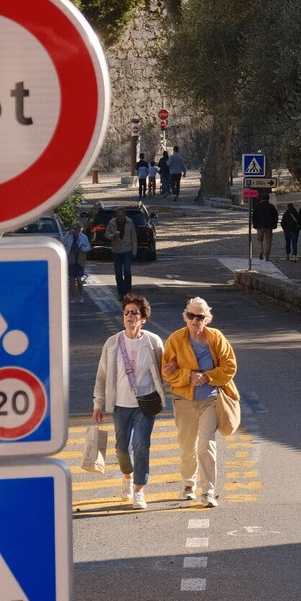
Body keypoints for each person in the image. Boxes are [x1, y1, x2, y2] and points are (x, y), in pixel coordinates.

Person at [92, 294, 167, 510]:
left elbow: (164, 372)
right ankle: (127, 476)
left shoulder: (153, 342)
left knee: (141, 445)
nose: (130, 316)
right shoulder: (113, 343)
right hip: (120, 405)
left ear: (143, 318)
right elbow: (102, 376)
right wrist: (98, 403)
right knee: (122, 449)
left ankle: (139, 490)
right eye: (127, 313)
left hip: (146, 404)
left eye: (135, 312)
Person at [163, 297, 238, 508]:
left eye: (200, 316)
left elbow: (229, 367)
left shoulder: (216, 338)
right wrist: (188, 376)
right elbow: (167, 371)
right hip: (184, 400)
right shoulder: (175, 339)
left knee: (206, 445)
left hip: (210, 399)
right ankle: (188, 485)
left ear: (208, 319)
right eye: (191, 315)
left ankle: (208, 491)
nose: (195, 320)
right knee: (187, 447)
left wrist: (206, 376)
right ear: (185, 316)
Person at [105, 207, 138, 300]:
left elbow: (133, 236)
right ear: (116, 215)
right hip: (116, 250)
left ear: (124, 215)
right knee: (118, 273)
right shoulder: (112, 223)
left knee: (127, 271)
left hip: (127, 249)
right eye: (119, 216)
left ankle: (127, 292)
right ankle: (121, 293)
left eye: (122, 216)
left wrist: (134, 251)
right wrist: (113, 236)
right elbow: (106, 234)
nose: (120, 218)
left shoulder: (129, 222)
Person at [62, 221, 91, 303]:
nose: (74, 230)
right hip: (71, 258)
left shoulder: (83, 237)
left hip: (79, 259)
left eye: (75, 228)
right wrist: (68, 234)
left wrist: (83, 249)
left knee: (78, 279)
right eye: (72, 228)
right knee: (71, 279)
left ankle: (81, 296)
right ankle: (74, 297)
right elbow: (62, 242)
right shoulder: (68, 236)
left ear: (79, 229)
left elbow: (88, 247)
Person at [253, 194, 279, 260]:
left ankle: (261, 250)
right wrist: (274, 225)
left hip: (260, 226)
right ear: (268, 199)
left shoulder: (258, 206)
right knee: (268, 241)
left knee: (259, 240)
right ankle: (267, 255)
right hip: (269, 227)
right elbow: (276, 216)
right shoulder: (271, 206)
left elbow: (254, 216)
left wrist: (255, 225)